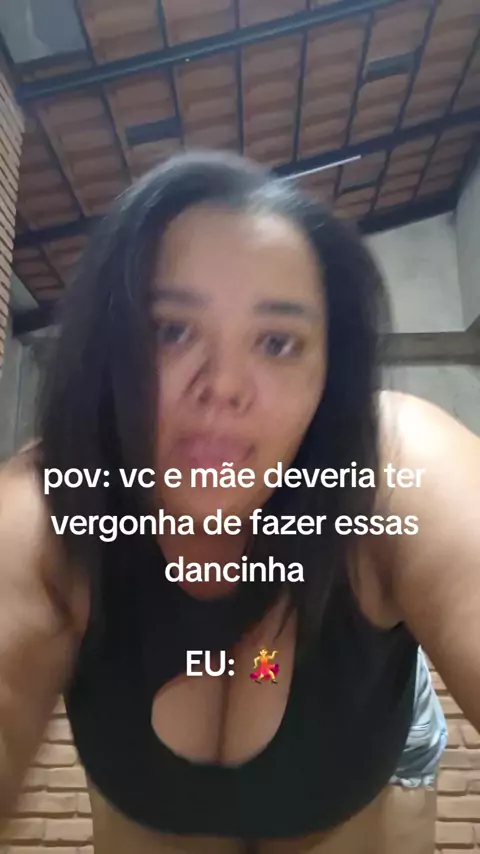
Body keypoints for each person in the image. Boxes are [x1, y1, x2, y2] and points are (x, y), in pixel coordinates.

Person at [0, 150, 479, 854]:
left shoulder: (393, 465)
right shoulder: (50, 505)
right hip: (150, 797)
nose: (224, 385)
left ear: (330, 378)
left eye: (278, 342)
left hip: (361, 773)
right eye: (171, 330)